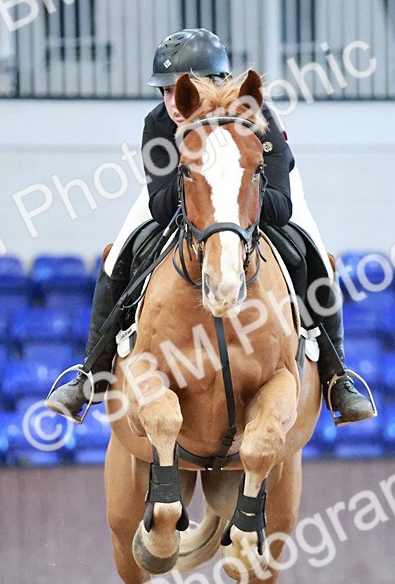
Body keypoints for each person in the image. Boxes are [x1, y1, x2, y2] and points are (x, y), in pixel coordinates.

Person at [46, 27, 375, 424]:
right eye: (165, 91)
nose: (171, 102)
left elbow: (282, 205)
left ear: (217, 84)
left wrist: (234, 206)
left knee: (311, 251)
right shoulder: (158, 126)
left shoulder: (258, 117)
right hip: (191, 197)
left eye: (180, 90)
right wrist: (201, 194)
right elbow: (161, 202)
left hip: (259, 195)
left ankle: (337, 377)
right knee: (120, 253)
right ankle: (90, 373)